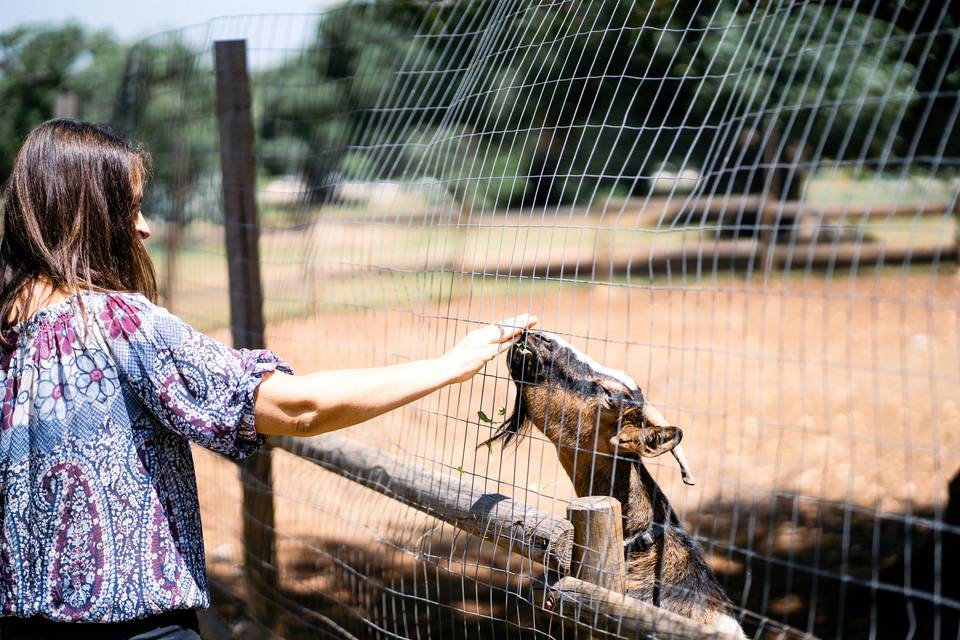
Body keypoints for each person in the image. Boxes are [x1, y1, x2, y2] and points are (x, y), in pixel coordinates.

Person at [0, 119, 536, 639]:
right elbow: (297, 408)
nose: (145, 227)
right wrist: (446, 367)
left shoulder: (9, 327)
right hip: (136, 627)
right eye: (130, 208)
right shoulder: (118, 323)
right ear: (86, 215)